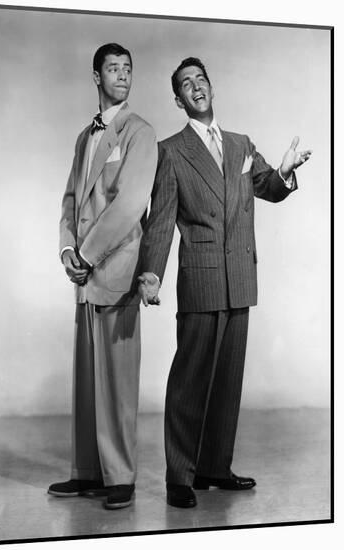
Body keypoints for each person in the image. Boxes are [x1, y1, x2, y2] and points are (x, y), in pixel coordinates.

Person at [138, 57, 311, 508]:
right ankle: (180, 475)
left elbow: (268, 188)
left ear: (211, 88)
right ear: (178, 99)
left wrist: (286, 171)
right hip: (201, 280)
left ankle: (214, 467)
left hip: (241, 280)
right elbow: (160, 221)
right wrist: (151, 273)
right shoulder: (170, 151)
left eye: (201, 79)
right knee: (190, 380)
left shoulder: (241, 144)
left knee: (227, 381)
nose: (196, 87)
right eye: (186, 84)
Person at [48, 43, 157, 510]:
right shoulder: (83, 137)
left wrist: (88, 253)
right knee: (87, 380)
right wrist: (68, 248)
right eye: (113, 68)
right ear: (96, 76)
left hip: (115, 268)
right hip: (85, 273)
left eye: (127, 68)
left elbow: (131, 204)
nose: (122, 75)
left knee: (117, 381)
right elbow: (70, 198)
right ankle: (88, 472)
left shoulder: (140, 132)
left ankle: (121, 477)